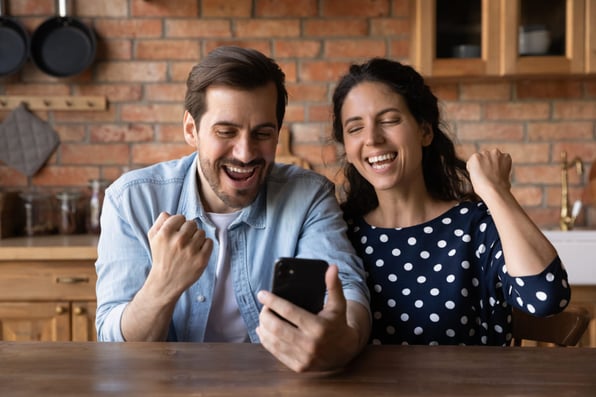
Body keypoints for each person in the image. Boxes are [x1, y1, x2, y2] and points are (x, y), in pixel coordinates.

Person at [95, 46, 371, 372]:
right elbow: (114, 344)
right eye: (226, 132)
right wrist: (161, 286)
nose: (244, 153)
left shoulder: (309, 195)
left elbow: (348, 291)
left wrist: (344, 338)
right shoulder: (131, 200)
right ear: (191, 129)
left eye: (262, 134)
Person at [330, 57, 570, 346]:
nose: (372, 138)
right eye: (355, 128)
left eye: (390, 120)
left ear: (425, 131)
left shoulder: (475, 226)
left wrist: (495, 191)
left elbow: (546, 298)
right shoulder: (338, 232)